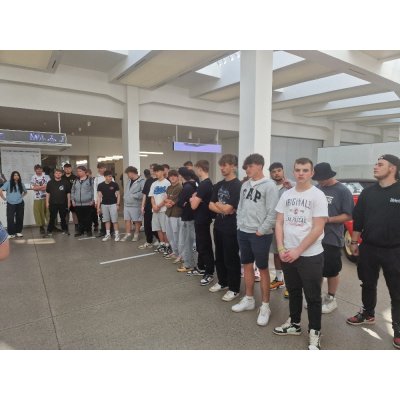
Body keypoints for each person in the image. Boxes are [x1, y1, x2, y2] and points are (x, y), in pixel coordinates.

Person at [273, 157, 328, 350]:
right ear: (293, 171)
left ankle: (315, 332)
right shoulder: (286, 195)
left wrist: (298, 250)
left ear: (312, 173)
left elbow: (318, 227)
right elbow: (279, 221)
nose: (301, 173)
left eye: (305, 170)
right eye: (298, 170)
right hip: (288, 253)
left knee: (312, 297)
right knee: (294, 291)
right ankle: (294, 324)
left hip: (310, 255)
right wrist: (281, 248)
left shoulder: (318, 195)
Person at [347, 154, 400, 350]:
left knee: (397, 291)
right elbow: (358, 219)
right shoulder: (368, 192)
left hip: (395, 250)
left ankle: (398, 329)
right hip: (369, 247)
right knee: (367, 283)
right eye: (376, 164)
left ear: (392, 168)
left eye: (380, 164)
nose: (375, 167)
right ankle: (368, 314)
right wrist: (354, 242)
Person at [232, 154, 279, 326]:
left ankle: (265, 306)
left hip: (260, 234)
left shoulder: (270, 186)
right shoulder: (245, 185)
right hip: (243, 231)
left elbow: (273, 212)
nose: (247, 170)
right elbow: (240, 207)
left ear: (259, 166)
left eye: (250, 166)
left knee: (263, 268)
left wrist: (261, 230)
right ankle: (249, 299)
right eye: (246, 167)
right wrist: (239, 225)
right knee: (246, 265)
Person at [313, 162, 354, 313]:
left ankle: (331, 298)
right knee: (316, 270)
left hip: (332, 238)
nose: (320, 182)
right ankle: (316, 297)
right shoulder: (317, 188)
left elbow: (348, 215)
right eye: (317, 179)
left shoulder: (342, 191)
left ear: (330, 176)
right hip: (314, 237)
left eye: (322, 179)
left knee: (331, 270)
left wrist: (328, 220)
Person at [208, 154, 242, 302]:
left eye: (225, 165)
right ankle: (223, 282)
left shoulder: (238, 186)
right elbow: (210, 205)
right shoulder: (218, 185)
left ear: (233, 166)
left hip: (231, 228)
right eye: (221, 165)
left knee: (231, 258)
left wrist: (220, 206)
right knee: (219, 256)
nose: (222, 168)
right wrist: (222, 207)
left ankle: (234, 289)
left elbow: (229, 209)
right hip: (218, 226)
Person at [269, 162, 293, 298]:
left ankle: (291, 285)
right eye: (273, 171)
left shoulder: (291, 185)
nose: (276, 173)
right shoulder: (270, 187)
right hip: (274, 226)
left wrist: (292, 186)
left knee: (287, 254)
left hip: (288, 227)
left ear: (283, 171)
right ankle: (279, 279)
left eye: (279, 170)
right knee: (276, 253)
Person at [190, 160, 215, 284]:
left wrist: (192, 198)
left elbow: (193, 205)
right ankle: (201, 267)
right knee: (201, 245)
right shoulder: (206, 184)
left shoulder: (204, 185)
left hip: (203, 218)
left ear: (200, 168)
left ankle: (209, 272)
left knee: (205, 245)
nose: (196, 171)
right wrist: (195, 197)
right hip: (201, 218)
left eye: (196, 169)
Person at [176, 167, 197, 272]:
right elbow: (182, 202)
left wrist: (182, 202)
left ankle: (190, 264)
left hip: (189, 217)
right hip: (190, 217)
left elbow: (181, 202)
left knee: (189, 242)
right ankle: (191, 263)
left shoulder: (187, 187)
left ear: (181, 175)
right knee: (190, 241)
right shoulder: (192, 185)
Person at [148, 164, 171, 253]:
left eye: (157, 171)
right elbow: (152, 197)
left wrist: (159, 206)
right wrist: (154, 206)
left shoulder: (167, 183)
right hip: (155, 210)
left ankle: (167, 245)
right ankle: (162, 244)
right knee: (158, 228)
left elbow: (167, 197)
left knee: (165, 229)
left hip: (163, 210)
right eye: (155, 172)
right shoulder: (154, 184)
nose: (156, 173)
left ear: (162, 172)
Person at [0, 171, 27, 238]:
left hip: (20, 203)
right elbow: (0, 190)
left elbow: (25, 192)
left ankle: (18, 232)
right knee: (10, 218)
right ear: (12, 176)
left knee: (19, 217)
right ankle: (11, 233)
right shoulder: (8, 183)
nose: (16, 176)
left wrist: (21, 197)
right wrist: (3, 198)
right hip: (10, 203)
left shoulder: (21, 184)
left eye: (17, 175)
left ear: (19, 176)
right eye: (15, 175)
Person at [121, 166, 145, 242]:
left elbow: (143, 193)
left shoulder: (142, 181)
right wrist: (125, 196)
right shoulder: (129, 181)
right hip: (127, 204)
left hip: (136, 205)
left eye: (128, 174)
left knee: (137, 220)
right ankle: (128, 233)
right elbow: (127, 191)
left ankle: (136, 234)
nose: (127, 176)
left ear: (132, 173)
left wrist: (134, 196)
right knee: (127, 219)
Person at [45, 168, 71, 236]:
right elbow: (47, 193)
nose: (58, 174)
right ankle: (49, 231)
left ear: (62, 174)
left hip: (63, 203)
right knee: (52, 218)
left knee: (63, 218)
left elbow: (68, 193)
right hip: (53, 203)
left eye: (59, 173)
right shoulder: (50, 183)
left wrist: (69, 202)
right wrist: (47, 202)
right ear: (54, 174)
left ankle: (65, 230)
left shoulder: (65, 182)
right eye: (56, 173)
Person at [164, 170, 183, 261]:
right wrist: (167, 202)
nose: (172, 177)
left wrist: (168, 202)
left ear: (178, 177)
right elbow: (165, 199)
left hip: (176, 214)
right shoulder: (168, 187)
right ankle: (175, 252)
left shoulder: (180, 187)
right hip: (168, 213)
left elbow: (172, 202)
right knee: (169, 234)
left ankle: (180, 254)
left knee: (177, 235)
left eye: (174, 176)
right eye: (171, 176)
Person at [97, 170, 121, 242]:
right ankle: (108, 234)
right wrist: (98, 207)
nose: (111, 178)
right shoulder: (100, 185)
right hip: (104, 205)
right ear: (105, 177)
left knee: (114, 220)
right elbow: (99, 197)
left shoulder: (115, 184)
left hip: (113, 204)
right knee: (106, 220)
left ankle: (117, 234)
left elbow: (118, 195)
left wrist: (118, 204)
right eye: (109, 176)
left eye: (111, 176)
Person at [138, 167, 159, 249]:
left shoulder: (160, 181)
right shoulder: (148, 180)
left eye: (153, 168)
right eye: (151, 168)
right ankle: (149, 241)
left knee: (156, 225)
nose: (152, 170)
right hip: (148, 206)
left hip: (157, 207)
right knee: (147, 225)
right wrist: (142, 206)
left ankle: (160, 240)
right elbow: (144, 194)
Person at [71, 166, 95, 237]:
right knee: (80, 218)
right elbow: (72, 191)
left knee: (88, 218)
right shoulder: (75, 181)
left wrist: (92, 200)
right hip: (77, 204)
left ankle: (89, 231)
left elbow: (93, 191)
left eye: (80, 171)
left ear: (85, 171)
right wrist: (73, 200)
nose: (78, 173)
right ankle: (80, 231)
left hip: (88, 203)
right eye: (77, 171)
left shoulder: (90, 180)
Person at [30, 164, 50, 234]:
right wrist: (42, 187)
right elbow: (33, 188)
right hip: (37, 198)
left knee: (48, 212)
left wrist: (38, 187)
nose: (39, 170)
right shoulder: (33, 177)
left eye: (40, 169)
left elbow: (49, 186)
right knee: (38, 212)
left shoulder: (46, 176)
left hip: (47, 197)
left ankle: (50, 226)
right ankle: (41, 227)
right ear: (35, 170)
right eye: (37, 169)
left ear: (42, 169)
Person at [62, 163, 79, 233]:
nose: (67, 170)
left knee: (75, 212)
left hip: (73, 198)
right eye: (66, 169)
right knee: (65, 213)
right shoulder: (62, 178)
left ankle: (77, 226)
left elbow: (77, 188)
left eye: (69, 168)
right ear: (64, 169)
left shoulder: (75, 177)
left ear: (71, 169)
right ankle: (66, 227)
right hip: (64, 198)